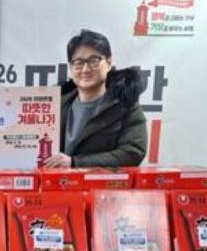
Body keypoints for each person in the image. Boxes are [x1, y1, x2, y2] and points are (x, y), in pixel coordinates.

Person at [45, 29, 147, 168]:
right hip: (56, 181)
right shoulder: (57, 103)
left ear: (109, 62)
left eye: (93, 60)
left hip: (101, 182)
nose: (85, 69)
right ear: (71, 67)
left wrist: (75, 163)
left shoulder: (125, 104)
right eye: (78, 62)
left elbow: (132, 152)